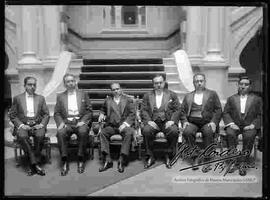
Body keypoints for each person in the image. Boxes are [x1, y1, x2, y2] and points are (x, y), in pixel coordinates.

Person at [180, 73, 222, 169]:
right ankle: (194, 157)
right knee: (187, 131)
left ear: (204, 82)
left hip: (207, 122)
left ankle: (207, 159)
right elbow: (182, 111)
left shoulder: (212, 94)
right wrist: (185, 121)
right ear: (193, 83)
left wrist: (213, 122)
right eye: (196, 81)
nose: (199, 83)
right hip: (192, 122)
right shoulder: (188, 96)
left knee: (208, 131)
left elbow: (218, 109)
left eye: (201, 81)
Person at [9, 76, 49, 176]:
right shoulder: (17, 98)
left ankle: (32, 163)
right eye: (29, 84)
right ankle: (35, 164)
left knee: (40, 135)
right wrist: (21, 125)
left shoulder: (40, 98)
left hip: (37, 125)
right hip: (23, 125)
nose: (32, 87)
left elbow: (46, 114)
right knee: (22, 136)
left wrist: (41, 124)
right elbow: (12, 115)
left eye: (34, 85)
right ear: (25, 86)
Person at [54, 73, 92, 176]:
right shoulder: (60, 96)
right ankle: (64, 160)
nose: (70, 83)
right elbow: (57, 113)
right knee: (60, 133)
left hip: (80, 122)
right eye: (68, 81)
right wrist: (61, 123)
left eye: (72, 81)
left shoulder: (83, 94)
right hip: (67, 123)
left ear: (75, 82)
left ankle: (80, 158)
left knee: (83, 131)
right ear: (64, 84)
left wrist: (83, 121)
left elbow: (89, 111)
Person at [223, 75, 262, 176]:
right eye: (241, 84)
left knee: (249, 136)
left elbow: (260, 115)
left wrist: (253, 125)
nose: (243, 86)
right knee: (230, 134)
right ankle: (233, 160)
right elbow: (226, 113)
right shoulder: (231, 99)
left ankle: (243, 162)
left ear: (250, 86)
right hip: (235, 125)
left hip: (249, 126)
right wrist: (231, 124)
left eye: (246, 84)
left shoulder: (256, 99)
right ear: (238, 85)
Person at [141, 74, 180, 169]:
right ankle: (150, 156)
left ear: (164, 83)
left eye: (160, 82)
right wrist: (149, 121)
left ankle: (169, 155)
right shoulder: (147, 96)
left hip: (167, 122)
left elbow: (178, 109)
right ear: (153, 84)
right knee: (146, 130)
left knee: (174, 131)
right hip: (153, 122)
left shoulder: (171, 94)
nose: (158, 85)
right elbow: (143, 110)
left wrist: (172, 121)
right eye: (156, 83)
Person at [98, 83, 135, 173]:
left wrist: (125, 124)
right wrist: (102, 114)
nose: (116, 91)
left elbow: (132, 114)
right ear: (111, 91)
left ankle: (122, 159)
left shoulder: (128, 100)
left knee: (129, 132)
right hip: (111, 126)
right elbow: (103, 109)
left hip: (123, 126)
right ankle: (107, 160)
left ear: (121, 89)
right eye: (114, 89)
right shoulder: (108, 100)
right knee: (103, 133)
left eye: (117, 89)